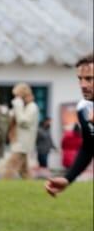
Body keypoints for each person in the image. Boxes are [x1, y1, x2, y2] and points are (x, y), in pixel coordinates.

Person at [46, 53, 94, 197]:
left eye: (90, 79)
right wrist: (68, 178)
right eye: (80, 79)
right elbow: (88, 147)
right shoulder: (83, 109)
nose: (83, 85)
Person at [2, 82, 39, 179]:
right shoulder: (22, 107)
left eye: (18, 96)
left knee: (9, 167)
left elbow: (23, 121)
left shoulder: (32, 107)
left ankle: (3, 188)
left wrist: (18, 106)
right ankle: (31, 188)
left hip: (22, 144)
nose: (16, 99)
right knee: (24, 171)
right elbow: (12, 121)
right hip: (18, 142)